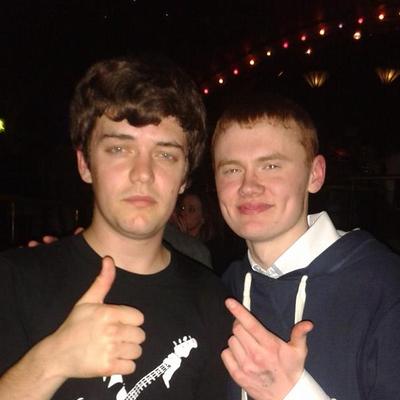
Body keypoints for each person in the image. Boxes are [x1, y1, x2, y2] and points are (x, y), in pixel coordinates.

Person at [0, 55, 231, 400]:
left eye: (165, 154)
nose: (143, 173)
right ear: (85, 164)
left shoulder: (213, 300)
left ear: (184, 177)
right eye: (120, 148)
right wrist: (50, 362)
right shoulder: (12, 282)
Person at [212, 92, 400, 400]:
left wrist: (293, 393)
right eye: (232, 169)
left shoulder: (385, 286)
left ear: (315, 175)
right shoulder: (221, 288)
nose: (248, 186)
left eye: (271, 166)